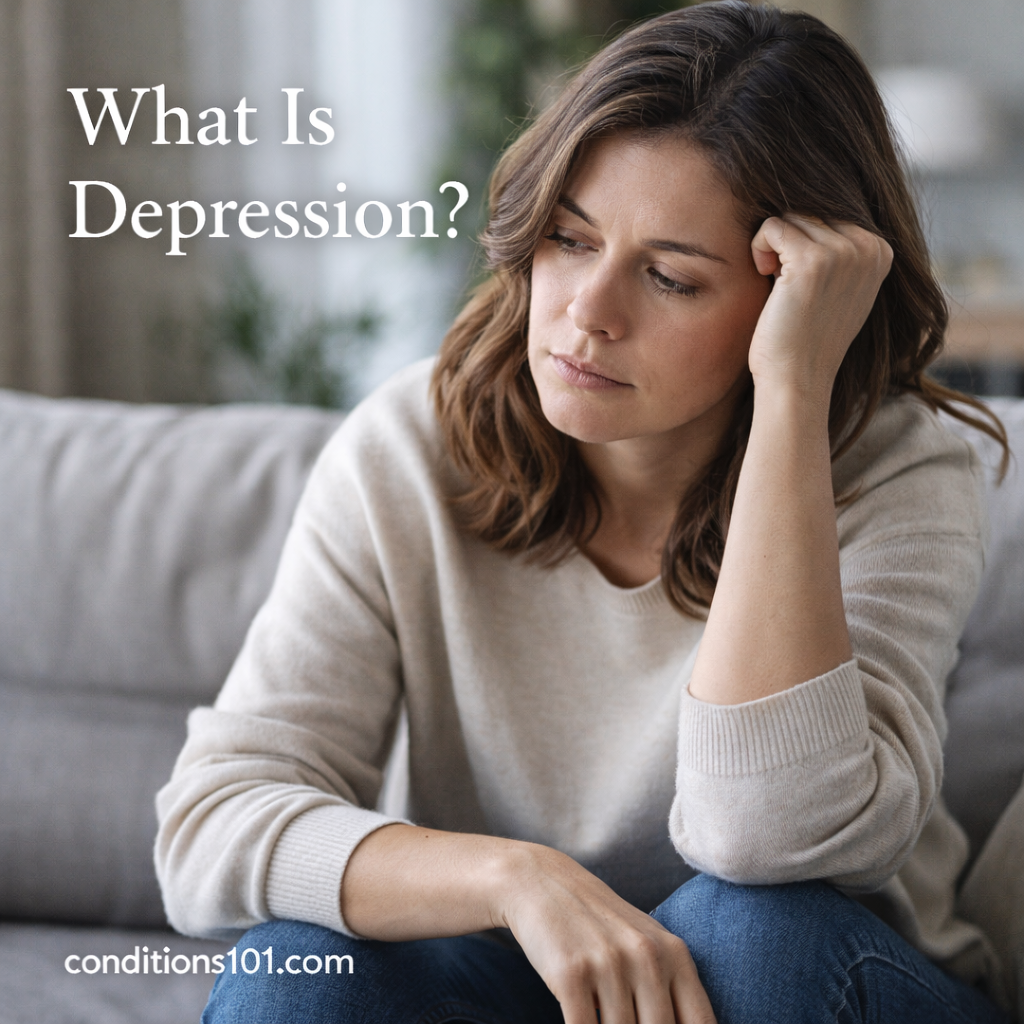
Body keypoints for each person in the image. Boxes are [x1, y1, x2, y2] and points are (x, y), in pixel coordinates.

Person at [156, 3, 1014, 1022]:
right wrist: (519, 880)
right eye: (568, 237)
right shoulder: (407, 451)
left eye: (668, 277)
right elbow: (210, 826)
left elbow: (768, 838)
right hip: (525, 975)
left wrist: (791, 394)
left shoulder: (900, 470)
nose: (587, 312)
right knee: (293, 971)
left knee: (753, 930)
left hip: (816, 983)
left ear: (791, 297)